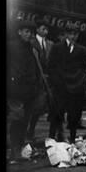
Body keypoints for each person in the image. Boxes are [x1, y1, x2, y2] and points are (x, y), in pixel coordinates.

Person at [47, 25, 86, 143]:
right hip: (60, 86)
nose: (73, 36)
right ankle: (51, 139)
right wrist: (56, 82)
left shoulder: (82, 49)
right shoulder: (57, 47)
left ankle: (73, 139)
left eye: (75, 34)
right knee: (56, 113)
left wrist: (82, 83)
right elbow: (51, 66)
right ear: (66, 34)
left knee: (74, 115)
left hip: (76, 87)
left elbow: (84, 69)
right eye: (71, 34)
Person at [7, 21, 39, 160]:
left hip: (29, 91)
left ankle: (19, 148)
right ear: (19, 32)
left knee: (25, 120)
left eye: (30, 32)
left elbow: (36, 67)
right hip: (15, 90)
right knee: (17, 118)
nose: (28, 34)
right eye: (26, 31)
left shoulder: (31, 48)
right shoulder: (10, 46)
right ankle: (14, 149)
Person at [27, 19, 54, 141]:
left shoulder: (50, 44)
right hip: (35, 79)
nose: (45, 31)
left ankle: (53, 135)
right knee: (35, 108)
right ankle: (30, 131)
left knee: (51, 107)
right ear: (37, 29)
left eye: (47, 29)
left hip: (48, 79)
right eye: (43, 28)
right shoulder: (31, 42)